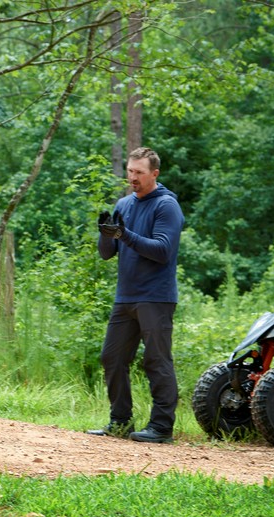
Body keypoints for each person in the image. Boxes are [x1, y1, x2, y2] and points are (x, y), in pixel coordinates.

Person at [87, 147, 185, 443]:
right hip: (126, 297)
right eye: (130, 171)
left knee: (156, 360)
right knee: (112, 357)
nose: (133, 177)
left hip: (156, 297)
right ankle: (120, 421)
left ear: (154, 173)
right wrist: (106, 234)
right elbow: (107, 254)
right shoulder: (124, 204)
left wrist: (123, 235)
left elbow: (162, 250)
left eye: (139, 172)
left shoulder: (166, 206)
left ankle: (161, 426)